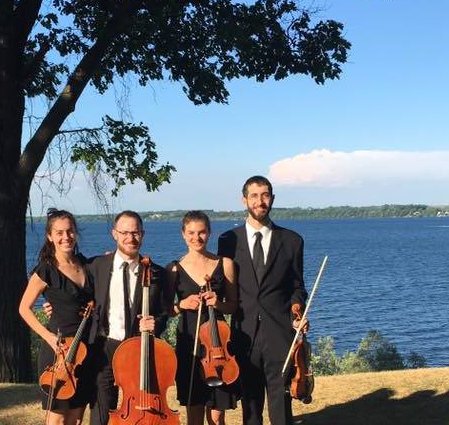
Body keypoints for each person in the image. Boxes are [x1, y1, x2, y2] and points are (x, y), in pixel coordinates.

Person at [44, 210, 168, 425]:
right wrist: (55, 305)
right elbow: (73, 292)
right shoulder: (95, 266)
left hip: (137, 349)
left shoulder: (157, 273)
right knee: (101, 413)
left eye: (136, 233)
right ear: (114, 234)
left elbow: (165, 311)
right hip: (102, 348)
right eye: (125, 233)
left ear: (143, 234)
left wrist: (155, 323)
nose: (131, 238)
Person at [217, 176, 308, 425]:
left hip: (279, 333)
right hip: (244, 333)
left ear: (273, 198)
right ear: (244, 199)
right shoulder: (227, 241)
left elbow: (297, 286)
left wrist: (297, 307)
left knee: (281, 405)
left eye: (265, 195)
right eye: (254, 195)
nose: (260, 201)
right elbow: (222, 285)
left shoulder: (292, 241)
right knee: (250, 406)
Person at [19, 209, 94, 425]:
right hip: (58, 352)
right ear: (50, 236)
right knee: (58, 419)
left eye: (70, 231)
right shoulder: (46, 270)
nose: (66, 237)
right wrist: (49, 337)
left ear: (76, 233)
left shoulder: (85, 265)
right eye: (59, 232)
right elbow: (24, 308)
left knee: (76, 418)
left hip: (84, 351)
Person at [165, 211, 238, 425]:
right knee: (194, 411)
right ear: (183, 234)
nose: (196, 238)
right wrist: (181, 305)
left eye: (202, 232)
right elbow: (167, 309)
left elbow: (233, 306)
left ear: (209, 233)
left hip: (218, 346)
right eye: (191, 233)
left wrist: (218, 303)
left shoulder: (225, 264)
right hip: (190, 343)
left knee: (217, 415)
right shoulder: (174, 268)